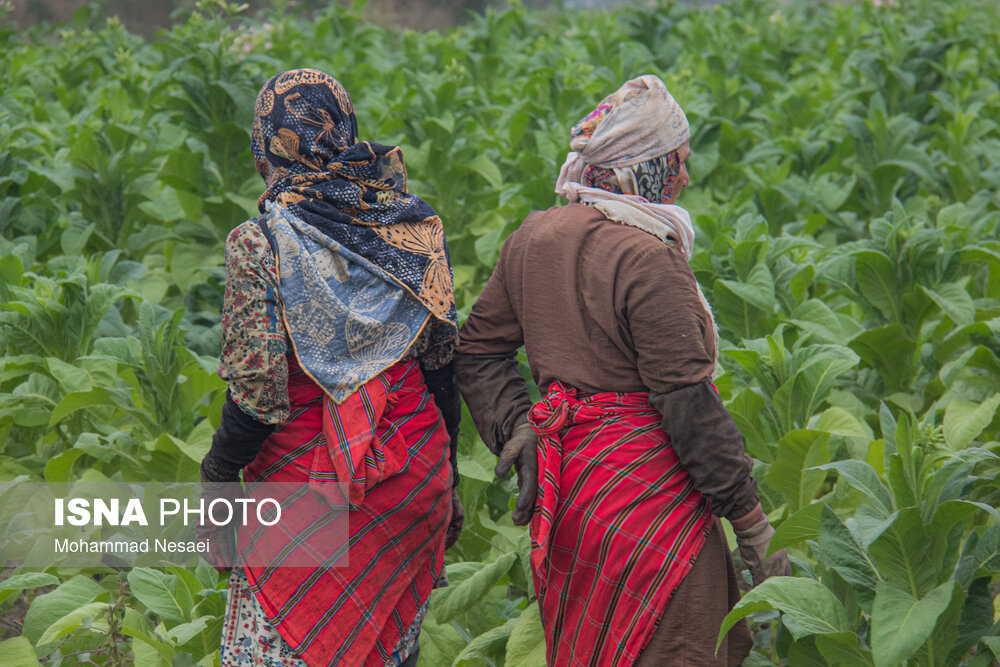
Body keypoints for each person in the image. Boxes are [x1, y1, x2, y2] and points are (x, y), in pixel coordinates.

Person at [455, 75, 789, 666]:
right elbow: (688, 404)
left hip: (575, 494)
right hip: (650, 502)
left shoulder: (533, 236)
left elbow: (477, 349)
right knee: (678, 641)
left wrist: (518, 427)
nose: (685, 177)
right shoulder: (645, 256)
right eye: (676, 162)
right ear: (641, 168)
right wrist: (751, 521)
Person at [198, 68, 464, 667]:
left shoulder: (260, 241)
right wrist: (448, 480)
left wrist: (215, 479)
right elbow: (442, 367)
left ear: (268, 147)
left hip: (317, 494)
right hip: (413, 479)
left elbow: (260, 396)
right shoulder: (410, 226)